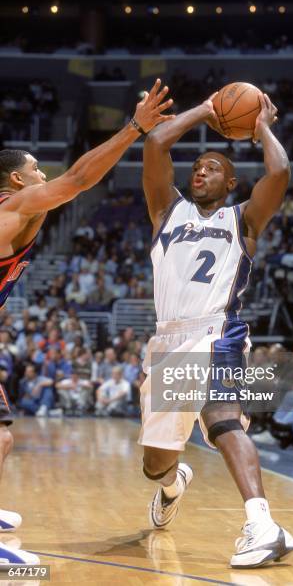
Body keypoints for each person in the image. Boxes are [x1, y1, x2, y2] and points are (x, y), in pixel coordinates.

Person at [0, 78, 173, 565]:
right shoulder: (15, 206)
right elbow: (78, 180)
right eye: (36, 169)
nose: (43, 174)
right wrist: (134, 128)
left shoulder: (13, 208)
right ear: (16, 180)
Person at [139, 91, 293, 569]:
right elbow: (154, 147)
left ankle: (262, 524)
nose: (200, 172)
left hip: (217, 331)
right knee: (155, 464)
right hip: (167, 341)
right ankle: (174, 483)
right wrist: (207, 111)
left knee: (222, 416)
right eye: (197, 168)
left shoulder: (243, 219)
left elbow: (279, 173)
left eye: (212, 168)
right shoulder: (167, 210)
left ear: (230, 181)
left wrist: (261, 127)